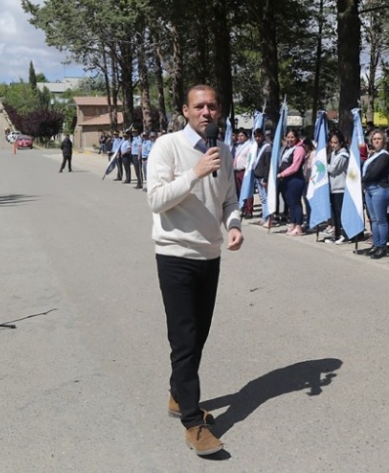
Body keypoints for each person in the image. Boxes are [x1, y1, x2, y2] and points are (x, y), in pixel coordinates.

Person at [146, 84, 243, 456]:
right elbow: (156, 199)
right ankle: (192, 422)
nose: (207, 112)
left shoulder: (224, 151)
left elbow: (230, 201)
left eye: (212, 107)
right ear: (185, 111)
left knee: (198, 337)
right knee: (184, 339)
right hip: (175, 256)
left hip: (210, 255)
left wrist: (234, 225)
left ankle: (177, 396)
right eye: (199, 106)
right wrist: (195, 173)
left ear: (220, 112)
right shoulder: (167, 147)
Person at [362, 130, 389, 259]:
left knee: (380, 220)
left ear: (384, 141)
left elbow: (375, 172)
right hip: (369, 189)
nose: (376, 141)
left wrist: (362, 179)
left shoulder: (384, 156)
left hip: (379, 189)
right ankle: (376, 244)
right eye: (374, 139)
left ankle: (382, 246)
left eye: (379, 138)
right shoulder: (372, 155)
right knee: (373, 220)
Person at [276, 129, 307, 236]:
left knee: (295, 203)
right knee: (290, 203)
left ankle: (298, 226)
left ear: (297, 137)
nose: (290, 139)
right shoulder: (287, 149)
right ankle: (292, 223)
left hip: (295, 180)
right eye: (288, 137)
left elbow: (295, 167)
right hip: (286, 180)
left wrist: (281, 174)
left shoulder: (299, 149)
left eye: (292, 137)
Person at [326, 129, 350, 244]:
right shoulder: (333, 154)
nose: (333, 145)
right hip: (333, 187)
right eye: (332, 142)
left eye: (335, 143)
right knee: (334, 213)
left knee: (341, 212)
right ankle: (336, 234)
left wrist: (324, 165)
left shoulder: (343, 155)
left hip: (341, 188)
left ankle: (345, 234)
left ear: (341, 143)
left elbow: (334, 169)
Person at [251, 128, 272, 226]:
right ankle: (264, 216)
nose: (257, 138)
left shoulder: (266, 147)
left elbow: (267, 165)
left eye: (259, 136)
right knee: (262, 198)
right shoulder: (256, 147)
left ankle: (267, 218)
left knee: (265, 198)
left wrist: (266, 178)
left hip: (263, 177)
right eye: (255, 137)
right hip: (257, 175)